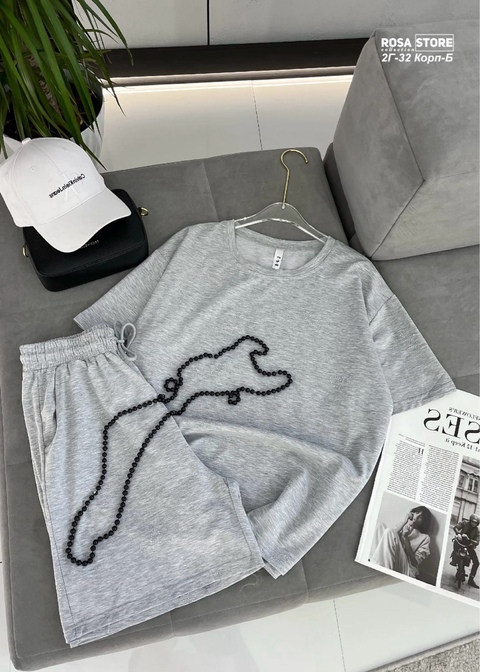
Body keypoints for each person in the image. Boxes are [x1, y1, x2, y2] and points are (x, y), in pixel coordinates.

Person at [370, 506, 432, 580]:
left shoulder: (425, 538)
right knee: (380, 525)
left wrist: (406, 540)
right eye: (416, 513)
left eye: (420, 517)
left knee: (390, 531)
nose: (416, 517)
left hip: (407, 569)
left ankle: (380, 570)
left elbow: (415, 563)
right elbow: (391, 536)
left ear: (423, 522)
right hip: (392, 559)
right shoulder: (403, 525)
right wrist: (405, 522)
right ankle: (376, 564)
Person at [451, 513, 480, 588]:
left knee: (476, 562)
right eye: (472, 521)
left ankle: (471, 579)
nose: (473, 523)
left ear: (477, 523)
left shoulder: (477, 530)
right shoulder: (464, 523)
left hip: (469, 545)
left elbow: (477, 542)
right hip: (459, 542)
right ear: (470, 520)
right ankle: (454, 560)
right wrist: (458, 533)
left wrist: (469, 539)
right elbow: (456, 527)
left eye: (475, 523)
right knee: (455, 544)